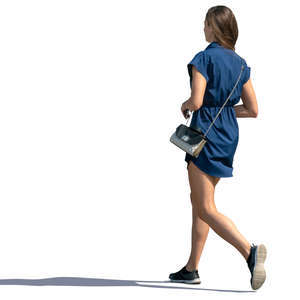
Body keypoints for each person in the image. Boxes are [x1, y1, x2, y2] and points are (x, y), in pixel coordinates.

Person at [168, 6, 267, 290]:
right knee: (199, 201)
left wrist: (186, 105)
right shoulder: (241, 64)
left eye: (206, 24)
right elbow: (252, 109)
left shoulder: (203, 58)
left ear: (214, 27)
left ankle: (250, 252)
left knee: (206, 207)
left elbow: (196, 101)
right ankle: (191, 268)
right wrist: (223, 111)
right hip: (227, 136)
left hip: (204, 137)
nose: (203, 28)